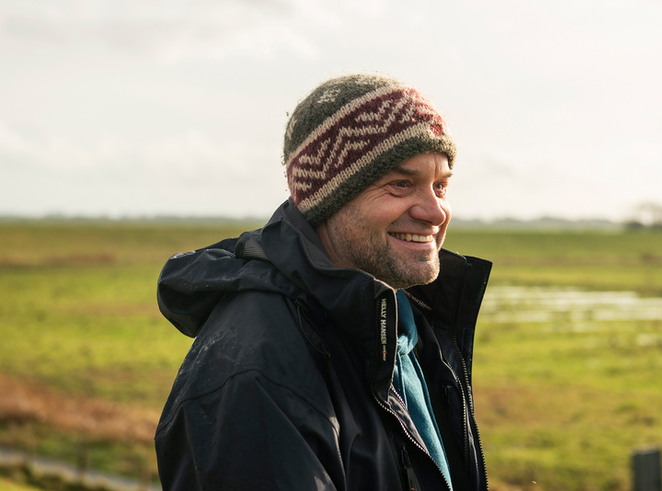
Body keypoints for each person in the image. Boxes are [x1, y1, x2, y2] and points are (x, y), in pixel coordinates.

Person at [154, 73, 492, 491]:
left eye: (440, 186)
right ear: (327, 198)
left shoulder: (402, 328)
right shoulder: (259, 371)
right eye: (401, 185)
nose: (436, 212)